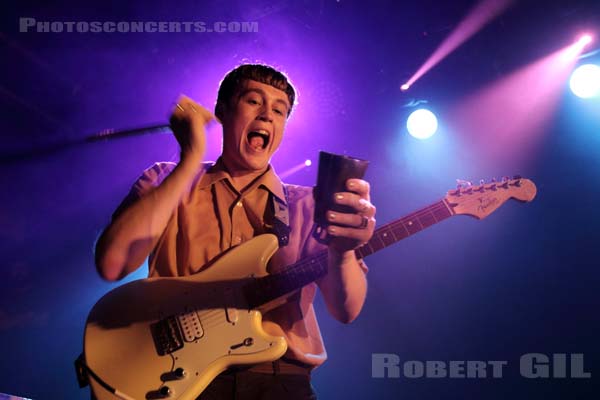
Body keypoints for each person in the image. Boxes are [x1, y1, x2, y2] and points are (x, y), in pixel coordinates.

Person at [94, 64, 376, 399]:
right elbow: (113, 264)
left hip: (279, 379)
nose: (267, 115)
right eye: (254, 101)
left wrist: (343, 253)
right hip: (179, 378)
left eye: (279, 111)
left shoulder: (306, 205)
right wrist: (189, 159)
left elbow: (347, 310)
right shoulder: (166, 180)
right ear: (222, 111)